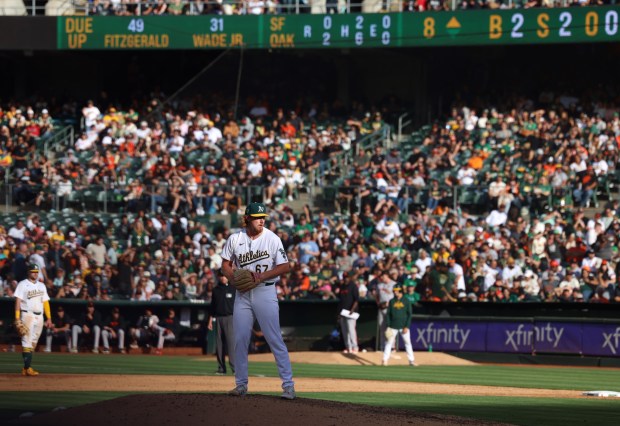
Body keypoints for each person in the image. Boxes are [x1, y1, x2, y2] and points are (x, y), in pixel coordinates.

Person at [221, 202, 295, 400]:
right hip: (243, 294)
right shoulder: (235, 239)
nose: (261, 220)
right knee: (240, 340)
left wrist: (262, 277)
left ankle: (288, 386)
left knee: (274, 339)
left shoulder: (272, 238)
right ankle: (241, 385)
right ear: (247, 219)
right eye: (257, 217)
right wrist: (233, 279)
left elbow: (285, 266)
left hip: (265, 292)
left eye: (263, 217)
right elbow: (225, 265)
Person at [14, 263, 53, 375]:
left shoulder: (42, 285)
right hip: (27, 315)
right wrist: (17, 318)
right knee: (27, 340)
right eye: (33, 271)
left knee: (34, 342)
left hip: (40, 316)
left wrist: (49, 318)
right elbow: (17, 301)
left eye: (36, 272)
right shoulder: (22, 284)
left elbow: (45, 302)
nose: (35, 274)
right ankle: (28, 368)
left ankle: (26, 368)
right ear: (28, 272)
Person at [382, 285, 416, 367]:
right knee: (389, 343)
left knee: (407, 343)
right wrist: (388, 325)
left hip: (403, 326)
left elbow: (409, 314)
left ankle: (411, 361)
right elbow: (388, 314)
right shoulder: (391, 301)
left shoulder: (406, 301)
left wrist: (407, 326)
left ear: (400, 291)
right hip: (393, 326)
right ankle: (384, 360)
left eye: (397, 290)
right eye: (394, 290)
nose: (395, 292)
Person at [208, 274, 236, 375]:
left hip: (230, 318)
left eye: (224, 276)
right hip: (218, 318)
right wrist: (210, 320)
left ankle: (235, 369)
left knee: (231, 344)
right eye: (221, 276)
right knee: (219, 344)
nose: (223, 278)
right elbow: (212, 306)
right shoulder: (216, 290)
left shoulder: (233, 288)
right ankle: (221, 368)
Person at [337, 275, 360, 354]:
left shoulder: (353, 286)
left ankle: (355, 347)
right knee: (344, 331)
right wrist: (339, 313)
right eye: (344, 277)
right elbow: (340, 300)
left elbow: (356, 300)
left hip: (351, 312)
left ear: (350, 278)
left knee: (351, 330)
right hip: (343, 312)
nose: (345, 279)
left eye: (347, 277)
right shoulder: (342, 286)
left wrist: (352, 309)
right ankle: (348, 347)